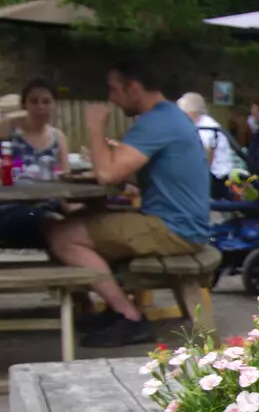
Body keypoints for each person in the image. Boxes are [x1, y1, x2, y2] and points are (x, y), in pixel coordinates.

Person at [43, 60, 212, 348]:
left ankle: (129, 316)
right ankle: (111, 309)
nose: (111, 97)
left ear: (134, 88)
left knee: (62, 235)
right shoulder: (169, 116)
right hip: (181, 222)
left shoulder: (154, 122)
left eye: (114, 89)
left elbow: (108, 174)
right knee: (87, 219)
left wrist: (95, 128)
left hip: (174, 228)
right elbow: (127, 171)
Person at [0, 79, 71, 247]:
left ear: (55, 105)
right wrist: (13, 116)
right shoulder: (8, 134)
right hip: (12, 207)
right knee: (50, 222)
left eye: (46, 102)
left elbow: (66, 181)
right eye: (34, 101)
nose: (40, 107)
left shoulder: (58, 137)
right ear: (24, 105)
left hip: (50, 205)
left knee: (78, 222)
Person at [176, 91, 238, 198]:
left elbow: (207, 156)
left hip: (218, 176)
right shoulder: (197, 125)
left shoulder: (207, 127)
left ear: (191, 112)